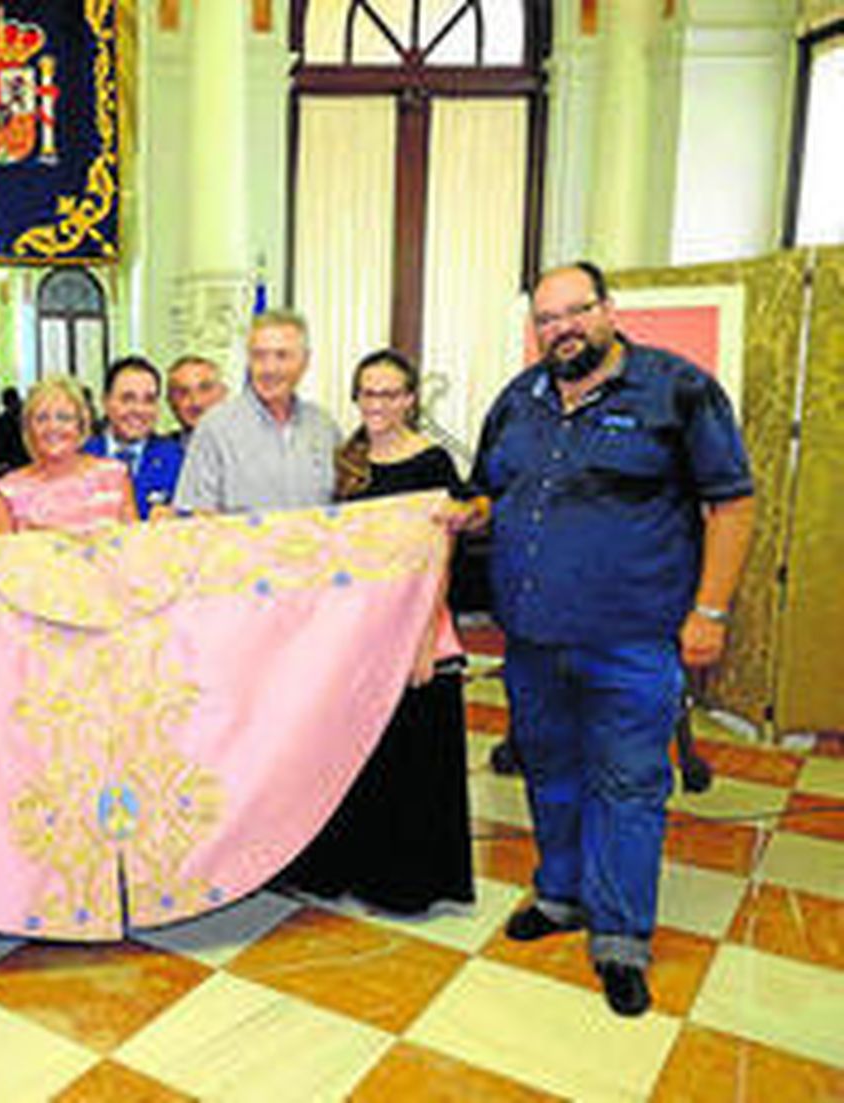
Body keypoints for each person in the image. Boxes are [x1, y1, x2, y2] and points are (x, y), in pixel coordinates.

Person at [460, 262, 756, 1017]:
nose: (562, 327)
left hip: (632, 640)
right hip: (531, 640)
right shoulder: (516, 401)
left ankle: (621, 935)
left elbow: (732, 503)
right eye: (547, 317)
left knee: (627, 783)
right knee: (550, 770)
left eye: (576, 310)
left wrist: (711, 613)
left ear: (608, 309)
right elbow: (495, 491)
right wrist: (474, 515)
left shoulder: (677, 391)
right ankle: (560, 893)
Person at [285, 350, 474, 914]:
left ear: (411, 399)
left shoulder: (434, 462)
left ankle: (405, 883)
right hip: (359, 631)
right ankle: (353, 871)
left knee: (411, 757)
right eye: (369, 393)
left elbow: (443, 556)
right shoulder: (350, 459)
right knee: (356, 750)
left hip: (416, 626)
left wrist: (421, 642)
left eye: (391, 394)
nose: (379, 405)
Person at [172, 310, 340, 514]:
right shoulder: (215, 428)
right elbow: (197, 518)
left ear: (305, 361)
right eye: (259, 356)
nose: (269, 368)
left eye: (282, 356)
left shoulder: (324, 427)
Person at [0, 376, 137, 533]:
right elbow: (2, 556)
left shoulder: (115, 476)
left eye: (64, 418)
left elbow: (134, 549)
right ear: (28, 429)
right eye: (41, 419)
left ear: (80, 426)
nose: (53, 427)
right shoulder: (6, 494)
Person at [83, 356, 185, 519]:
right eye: (127, 399)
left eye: (149, 400)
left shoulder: (178, 458)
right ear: (106, 402)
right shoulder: (79, 456)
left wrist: (177, 517)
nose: (139, 410)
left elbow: (196, 518)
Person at [165, 354, 227, 444]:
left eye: (205, 388)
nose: (196, 402)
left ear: (223, 393)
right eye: (183, 392)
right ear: (170, 401)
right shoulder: (156, 452)